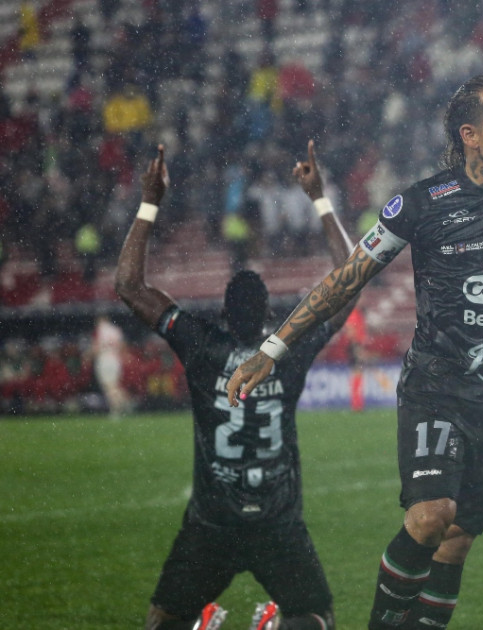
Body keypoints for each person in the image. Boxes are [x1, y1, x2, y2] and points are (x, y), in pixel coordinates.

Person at [225, 73, 483, 629]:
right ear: (470, 136)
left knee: (456, 542)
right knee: (432, 516)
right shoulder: (423, 203)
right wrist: (274, 346)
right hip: (440, 389)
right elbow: (348, 278)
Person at [116, 142, 357, 630]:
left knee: (163, 621)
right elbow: (348, 281)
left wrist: (149, 201)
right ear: (271, 315)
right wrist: (320, 199)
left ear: (223, 315)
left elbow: (130, 287)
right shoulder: (288, 348)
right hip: (278, 526)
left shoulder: (201, 346)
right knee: (316, 617)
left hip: (212, 525)